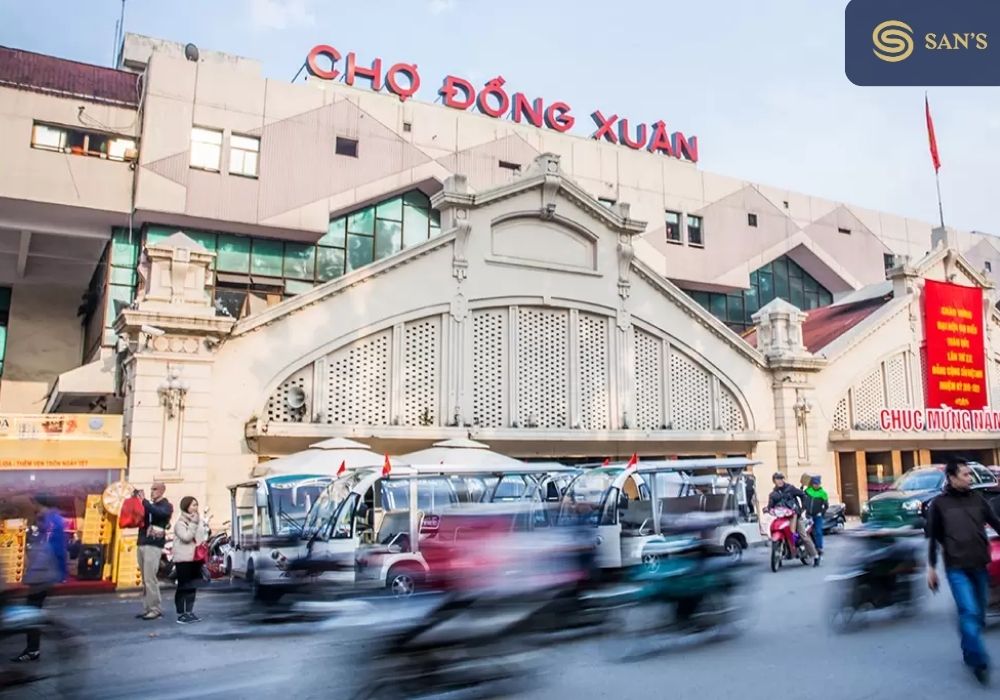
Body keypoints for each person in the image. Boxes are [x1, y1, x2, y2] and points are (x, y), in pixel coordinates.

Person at [926, 459, 1000, 685]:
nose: (970, 478)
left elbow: (997, 525)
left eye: (970, 474)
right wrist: (931, 568)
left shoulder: (978, 500)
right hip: (956, 568)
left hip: (980, 565)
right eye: (965, 474)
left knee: (977, 616)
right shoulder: (938, 505)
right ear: (951, 477)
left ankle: (969, 649)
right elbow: (932, 539)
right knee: (968, 612)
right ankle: (979, 662)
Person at [12, 496, 68, 662]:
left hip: (42, 574)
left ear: (43, 504)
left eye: (36, 504)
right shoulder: (48, 520)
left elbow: (52, 549)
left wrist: (57, 573)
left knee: (31, 613)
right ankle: (35, 647)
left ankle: (34, 649)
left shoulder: (52, 522)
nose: (34, 507)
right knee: (33, 611)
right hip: (41, 573)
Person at [137, 482, 173, 621]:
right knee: (145, 579)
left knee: (150, 578)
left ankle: (155, 609)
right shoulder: (148, 505)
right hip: (142, 542)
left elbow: (160, 513)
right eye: (151, 489)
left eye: (155, 489)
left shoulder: (166, 505)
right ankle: (147, 608)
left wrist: (144, 501)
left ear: (162, 491)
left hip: (153, 545)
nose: (152, 492)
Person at [767, 472, 818, 565]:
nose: (780, 481)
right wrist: (767, 509)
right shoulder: (773, 494)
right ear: (774, 481)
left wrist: (803, 507)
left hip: (795, 516)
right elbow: (770, 506)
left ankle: (815, 556)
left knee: (803, 536)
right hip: (782, 517)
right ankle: (781, 553)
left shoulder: (790, 488)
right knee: (775, 527)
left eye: (781, 478)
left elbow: (803, 495)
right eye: (777, 479)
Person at [172, 496, 210, 624]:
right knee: (183, 586)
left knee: (193, 586)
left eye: (196, 505)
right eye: (193, 505)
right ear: (186, 507)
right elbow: (186, 537)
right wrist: (194, 524)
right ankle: (181, 614)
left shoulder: (197, 521)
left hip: (195, 558)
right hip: (183, 559)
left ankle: (189, 611)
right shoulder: (180, 524)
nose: (196, 508)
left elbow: (201, 536)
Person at [805, 475, 829, 564]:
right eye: (814, 483)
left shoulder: (823, 493)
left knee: (818, 531)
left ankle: (819, 548)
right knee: (806, 532)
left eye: (817, 483)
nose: (816, 485)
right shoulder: (808, 491)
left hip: (817, 516)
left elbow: (826, 506)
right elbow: (802, 499)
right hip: (808, 515)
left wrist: (821, 513)